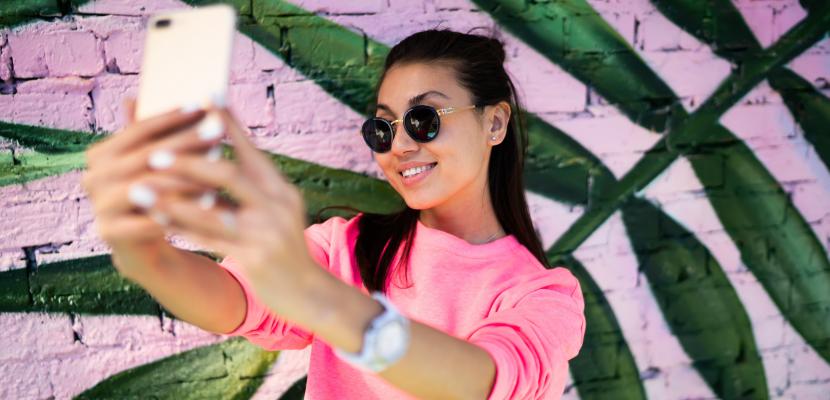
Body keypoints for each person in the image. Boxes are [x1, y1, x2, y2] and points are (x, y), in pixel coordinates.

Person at [81, 29, 586, 399]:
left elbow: (482, 382)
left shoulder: (543, 296)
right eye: (383, 129)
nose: (400, 146)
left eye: (424, 120)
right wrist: (145, 254)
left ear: (495, 122)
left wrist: (318, 299)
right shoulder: (345, 246)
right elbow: (232, 300)